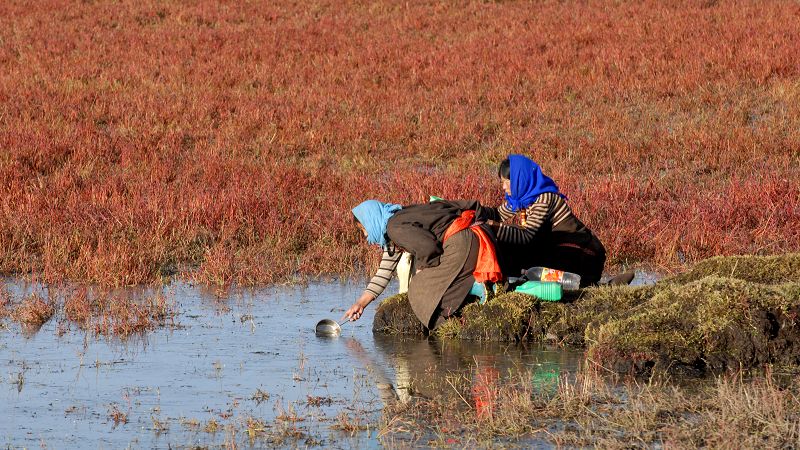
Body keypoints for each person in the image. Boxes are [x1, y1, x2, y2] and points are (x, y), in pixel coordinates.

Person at [343, 199, 503, 330]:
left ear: (371, 220)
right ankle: (477, 290)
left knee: (419, 291)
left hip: (462, 242)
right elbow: (383, 274)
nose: (366, 237)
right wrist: (360, 304)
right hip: (469, 238)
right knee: (427, 286)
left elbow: (428, 247)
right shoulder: (396, 225)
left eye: (364, 230)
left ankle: (471, 298)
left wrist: (421, 272)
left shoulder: (394, 228)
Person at [482, 154, 607, 287]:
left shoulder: (543, 198)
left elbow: (526, 236)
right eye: (502, 182)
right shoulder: (523, 199)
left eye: (508, 181)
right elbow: (498, 214)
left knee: (526, 255)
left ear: (521, 179)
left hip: (581, 252)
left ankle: (583, 282)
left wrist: (495, 227)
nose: (504, 187)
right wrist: (474, 210)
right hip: (559, 249)